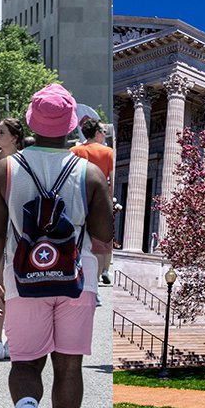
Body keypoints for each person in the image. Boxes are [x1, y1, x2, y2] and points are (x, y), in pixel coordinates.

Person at [0, 85, 116, 408]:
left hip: (23, 278)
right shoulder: (89, 172)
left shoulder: (4, 169)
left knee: (25, 363)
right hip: (77, 278)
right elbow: (103, 235)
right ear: (72, 125)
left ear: (29, 123)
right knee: (69, 365)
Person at [0, 117, 28, 361]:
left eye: (1, 132)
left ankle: (13, 338)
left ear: (14, 137)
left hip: (17, 228)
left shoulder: (24, 163)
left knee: (13, 285)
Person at [70, 118, 116, 286]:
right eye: (103, 132)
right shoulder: (108, 152)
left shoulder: (73, 150)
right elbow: (112, 179)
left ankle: (77, 277)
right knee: (98, 245)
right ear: (97, 133)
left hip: (77, 201)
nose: (104, 135)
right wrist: (110, 203)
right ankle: (93, 284)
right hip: (99, 202)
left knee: (78, 241)